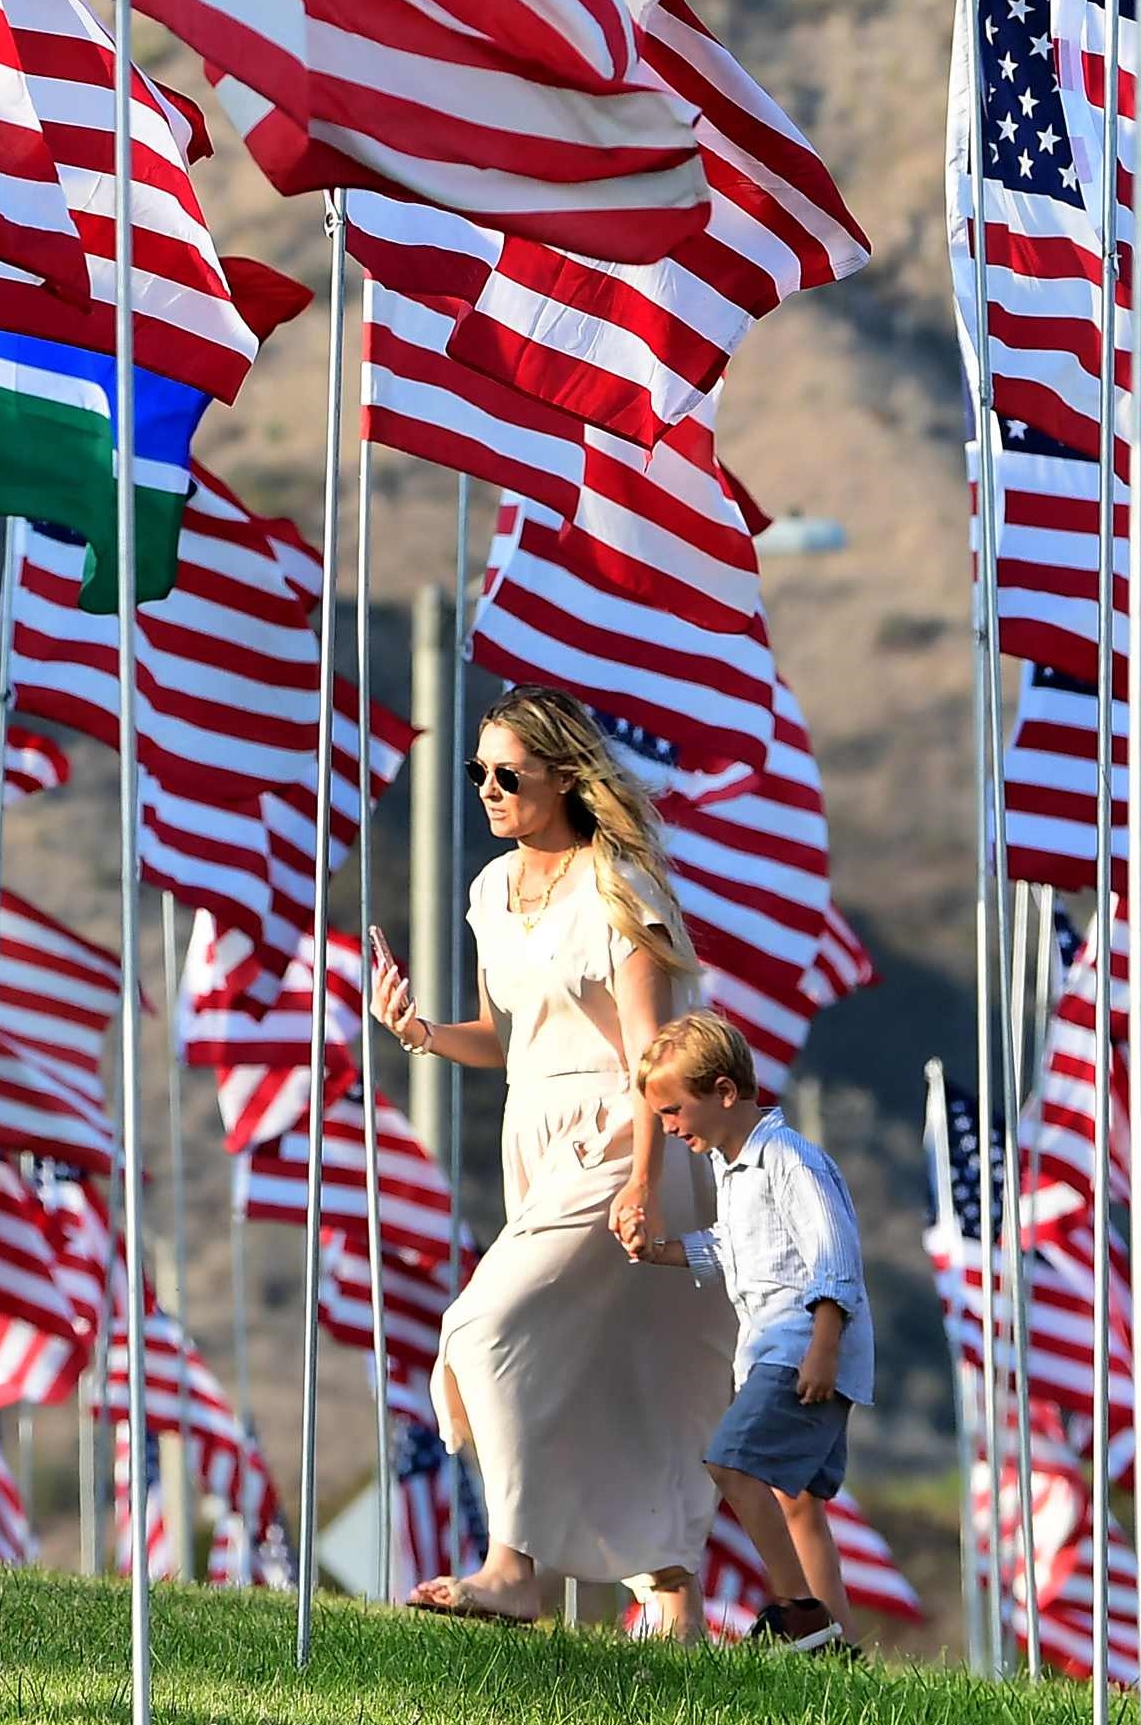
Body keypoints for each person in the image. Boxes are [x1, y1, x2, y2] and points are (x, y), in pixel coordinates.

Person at [368, 684, 731, 1629]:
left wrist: (648, 1182)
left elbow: (654, 1057)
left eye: (507, 773)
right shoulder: (491, 889)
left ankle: (510, 1568)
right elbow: (503, 1034)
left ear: (564, 777)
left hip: (621, 1136)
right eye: (477, 772)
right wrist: (418, 1032)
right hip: (531, 1133)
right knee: (608, 1368)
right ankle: (671, 1592)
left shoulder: (620, 885)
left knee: (484, 1326)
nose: (487, 789)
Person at [635, 1008, 870, 1656]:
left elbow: (833, 1253)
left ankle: (801, 1614)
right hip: (772, 1347)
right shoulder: (731, 1168)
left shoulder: (786, 1159)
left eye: (673, 1110)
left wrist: (823, 1346)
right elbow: (737, 1248)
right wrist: (661, 1250)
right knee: (796, 1501)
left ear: (724, 1091)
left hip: (800, 1344)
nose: (667, 1126)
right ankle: (839, 1647)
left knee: (727, 1459)